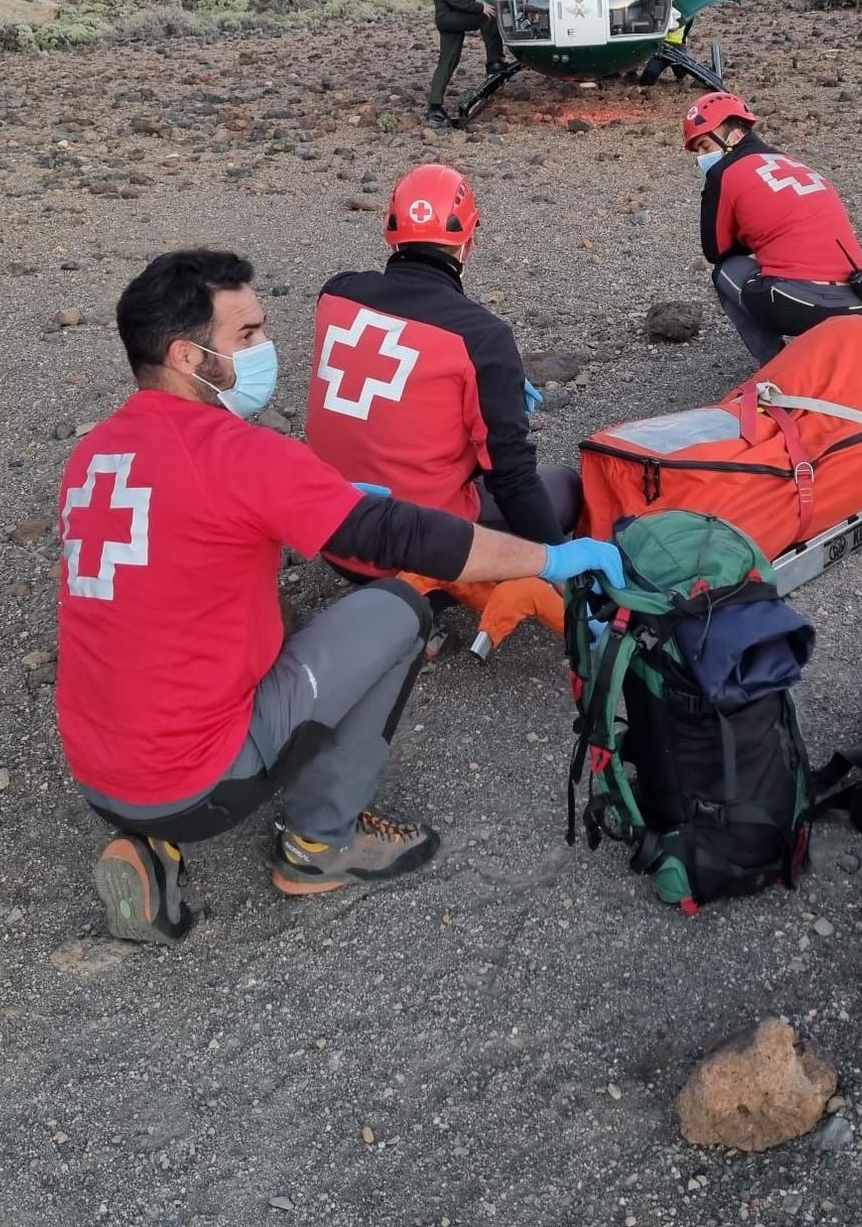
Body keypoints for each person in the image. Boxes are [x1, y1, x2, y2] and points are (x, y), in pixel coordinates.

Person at [57, 248, 621, 944]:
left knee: (237, 612)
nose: (268, 349)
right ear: (188, 357)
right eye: (248, 336)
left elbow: (197, 529)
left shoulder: (95, 456)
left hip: (98, 772)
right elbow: (410, 538)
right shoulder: (239, 456)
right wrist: (552, 556)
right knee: (400, 608)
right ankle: (320, 843)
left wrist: (326, 498)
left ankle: (146, 843)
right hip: (200, 780)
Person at [308, 164, 581, 547]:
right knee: (566, 488)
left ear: (390, 233)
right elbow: (511, 479)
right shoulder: (482, 338)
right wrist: (560, 563)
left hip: (333, 530)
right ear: (468, 240)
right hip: (421, 547)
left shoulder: (337, 292)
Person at [684, 91, 862, 367]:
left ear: (735, 135)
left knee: (726, 270)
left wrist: (748, 238)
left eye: (704, 147)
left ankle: (776, 366)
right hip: (860, 302)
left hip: (802, 306)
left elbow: (715, 250)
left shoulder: (723, 173)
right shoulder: (794, 164)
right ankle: (837, 352)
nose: (701, 158)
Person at [428, 0, 508, 126]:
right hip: (449, 18)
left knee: (449, 60)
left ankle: (434, 106)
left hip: (450, 19)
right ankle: (495, 62)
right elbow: (455, 0)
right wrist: (480, 6)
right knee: (487, 17)